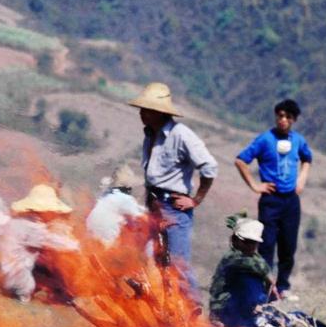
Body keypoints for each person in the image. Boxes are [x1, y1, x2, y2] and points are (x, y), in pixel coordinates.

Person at [129, 82, 218, 293]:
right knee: (156, 261)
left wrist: (196, 200)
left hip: (174, 205)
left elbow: (209, 167)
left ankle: (191, 312)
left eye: (147, 110)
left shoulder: (181, 135)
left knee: (178, 264)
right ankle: (165, 312)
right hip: (155, 203)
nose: (142, 113)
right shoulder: (150, 135)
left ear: (159, 112)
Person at [234, 99, 313, 299]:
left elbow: (307, 159)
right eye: (280, 116)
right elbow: (241, 160)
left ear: (294, 120)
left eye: (287, 117)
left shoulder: (298, 141)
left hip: (291, 200)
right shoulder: (265, 140)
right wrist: (255, 185)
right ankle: (266, 287)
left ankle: (283, 286)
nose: (283, 120)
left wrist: (301, 180)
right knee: (267, 244)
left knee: (288, 246)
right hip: (271, 200)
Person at [0, 183, 79, 303]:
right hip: (19, 280)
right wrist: (78, 246)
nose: (54, 214)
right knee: (58, 260)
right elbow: (56, 242)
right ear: (44, 210)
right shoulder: (34, 227)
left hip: (4, 275)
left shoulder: (16, 222)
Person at [85, 163, 149, 248]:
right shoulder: (124, 199)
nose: (133, 178)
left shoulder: (106, 197)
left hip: (90, 239)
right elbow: (144, 219)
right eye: (130, 175)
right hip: (107, 243)